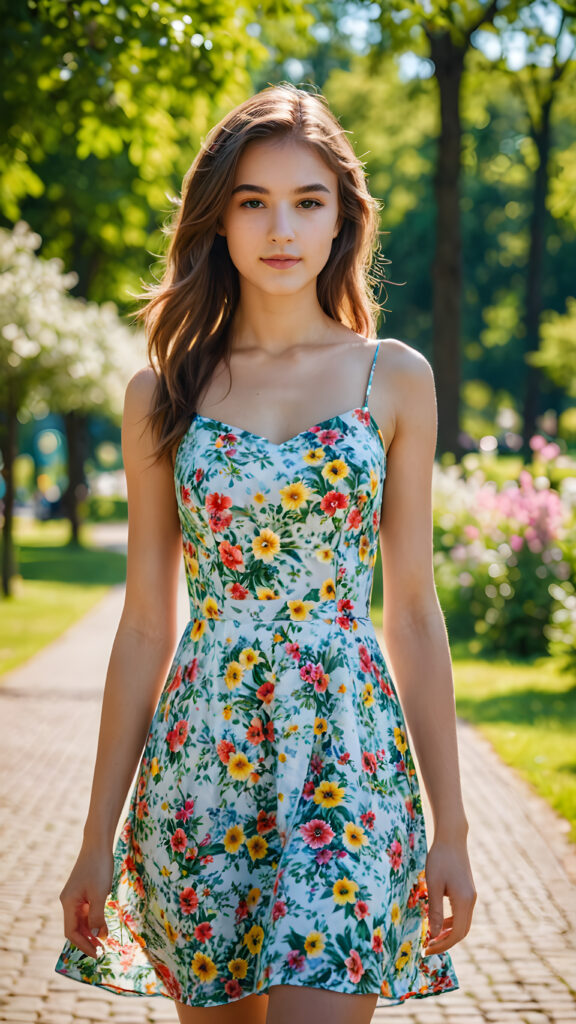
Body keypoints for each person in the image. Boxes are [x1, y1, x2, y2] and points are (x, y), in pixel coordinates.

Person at [56, 83, 476, 1024]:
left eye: (307, 200)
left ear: (343, 221)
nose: (280, 227)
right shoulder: (164, 392)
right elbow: (142, 624)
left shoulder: (395, 378)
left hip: (351, 756)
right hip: (205, 762)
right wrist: (95, 840)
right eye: (253, 201)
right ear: (218, 219)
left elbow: (411, 611)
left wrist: (453, 828)